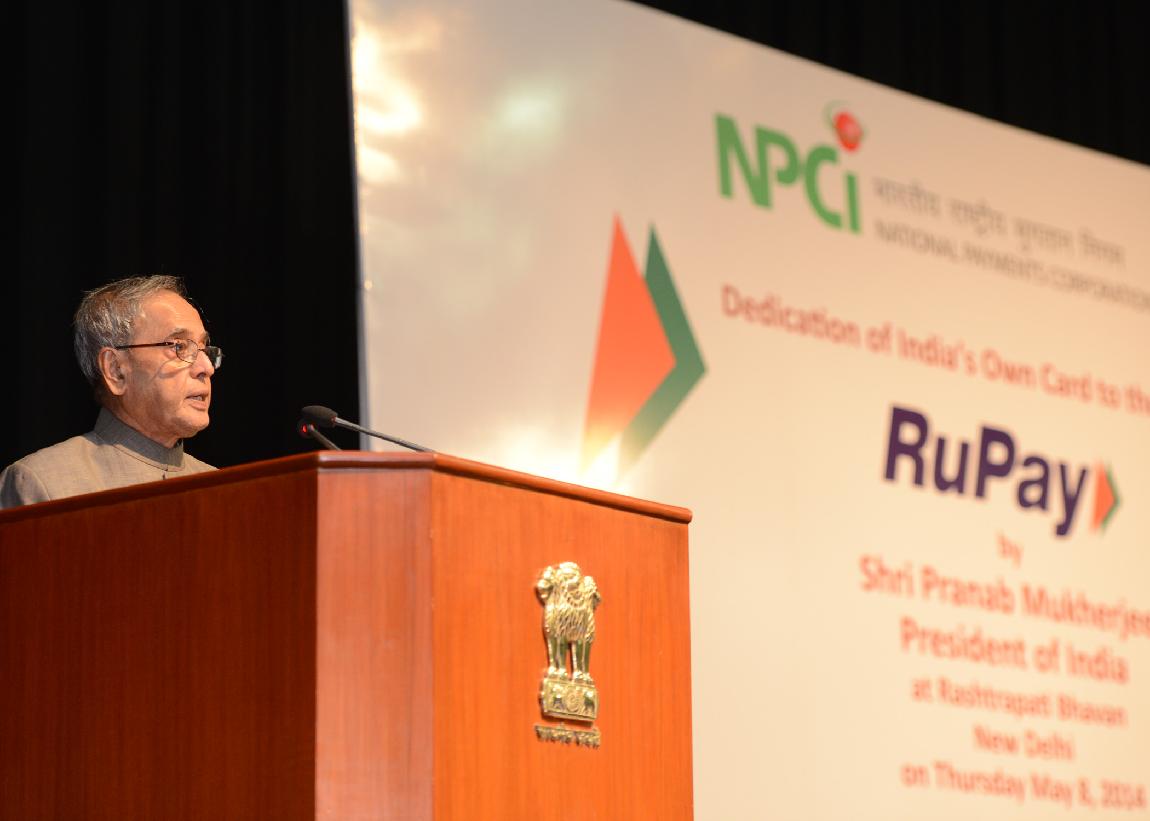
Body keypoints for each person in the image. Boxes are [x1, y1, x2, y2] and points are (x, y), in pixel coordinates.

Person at [0, 275, 222, 508]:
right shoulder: (44, 484)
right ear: (116, 370)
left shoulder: (223, 490)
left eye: (205, 349)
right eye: (179, 346)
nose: (206, 367)